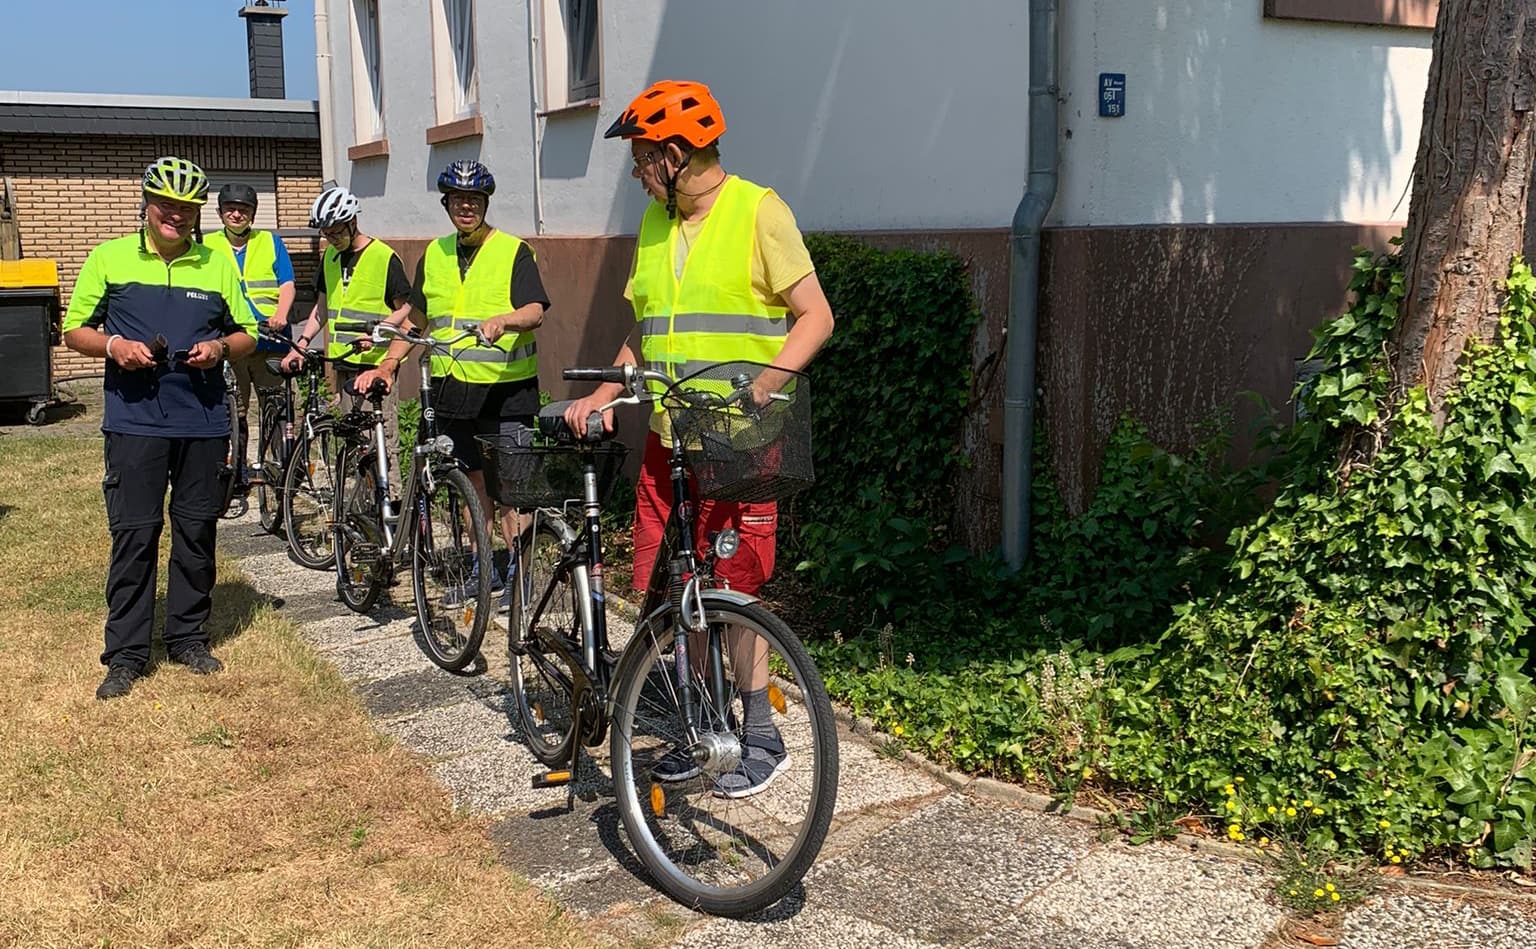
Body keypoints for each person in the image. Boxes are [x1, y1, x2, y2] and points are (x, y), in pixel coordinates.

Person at [564, 80, 835, 797]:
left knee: (735, 586)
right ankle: (696, 724)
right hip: (667, 439)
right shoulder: (657, 224)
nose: (635, 170)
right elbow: (645, 333)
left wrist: (767, 382)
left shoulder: (759, 211)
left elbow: (815, 316)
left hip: (739, 440)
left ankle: (760, 731)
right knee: (678, 586)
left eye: (642, 156)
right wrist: (606, 391)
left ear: (675, 154)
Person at [62, 156, 256, 700]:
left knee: (197, 531)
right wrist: (114, 346)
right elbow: (74, 329)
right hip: (135, 420)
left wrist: (218, 347)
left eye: (188, 208)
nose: (177, 216)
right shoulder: (109, 258)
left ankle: (188, 636)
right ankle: (126, 654)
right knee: (135, 535)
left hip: (202, 420)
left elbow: (247, 335)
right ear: (147, 206)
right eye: (168, 205)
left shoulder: (216, 264)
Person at [353, 160, 549, 606]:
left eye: (475, 200)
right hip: (452, 390)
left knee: (512, 491)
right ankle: (484, 573)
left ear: (485, 204)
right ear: (447, 204)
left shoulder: (514, 251)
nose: (466, 207)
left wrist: (506, 318)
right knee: (470, 484)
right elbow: (419, 321)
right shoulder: (434, 255)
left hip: (506, 390)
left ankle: (519, 575)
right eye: (459, 200)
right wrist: (388, 363)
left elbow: (536, 309)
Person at [281, 186, 414, 501]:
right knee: (354, 441)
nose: (331, 238)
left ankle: (390, 505)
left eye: (337, 231)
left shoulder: (384, 257)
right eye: (326, 233)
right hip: (344, 365)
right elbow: (323, 309)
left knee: (382, 442)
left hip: (376, 365)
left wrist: (381, 330)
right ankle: (363, 508)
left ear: (353, 222)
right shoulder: (329, 256)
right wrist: (300, 342)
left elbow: (407, 310)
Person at [203, 183, 297, 478]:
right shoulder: (208, 246)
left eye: (243, 209)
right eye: (230, 209)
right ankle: (237, 468)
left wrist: (281, 313)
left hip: (271, 337)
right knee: (235, 409)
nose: (236, 214)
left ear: (253, 214)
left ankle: (283, 468)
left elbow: (286, 283)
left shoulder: (270, 241)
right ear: (220, 214)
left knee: (276, 406)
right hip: (233, 339)